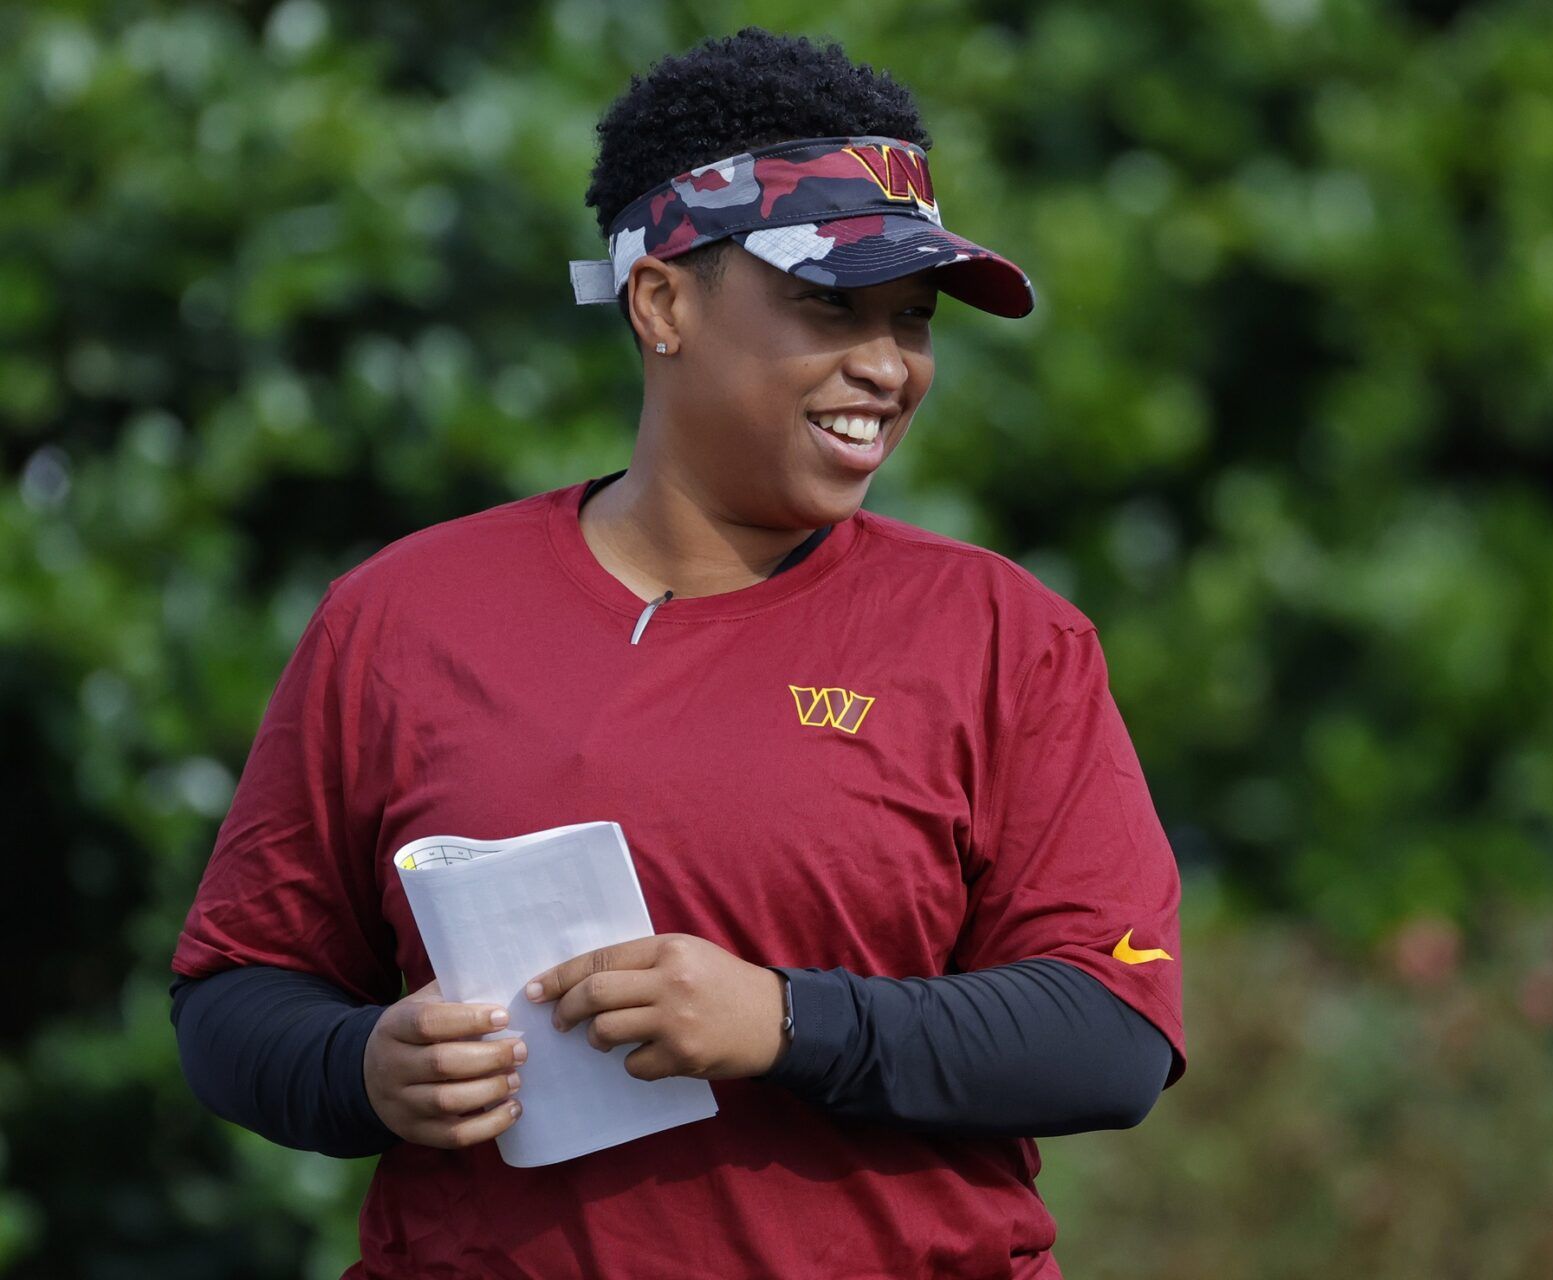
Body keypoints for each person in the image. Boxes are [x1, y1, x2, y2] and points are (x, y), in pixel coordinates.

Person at [170, 28, 1185, 1279]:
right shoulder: (401, 617)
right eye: (828, 304)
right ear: (663, 300)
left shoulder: (1003, 638)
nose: (888, 363)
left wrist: (785, 1017)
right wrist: (365, 1067)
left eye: (912, 318)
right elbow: (233, 997)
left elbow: (1111, 1032)